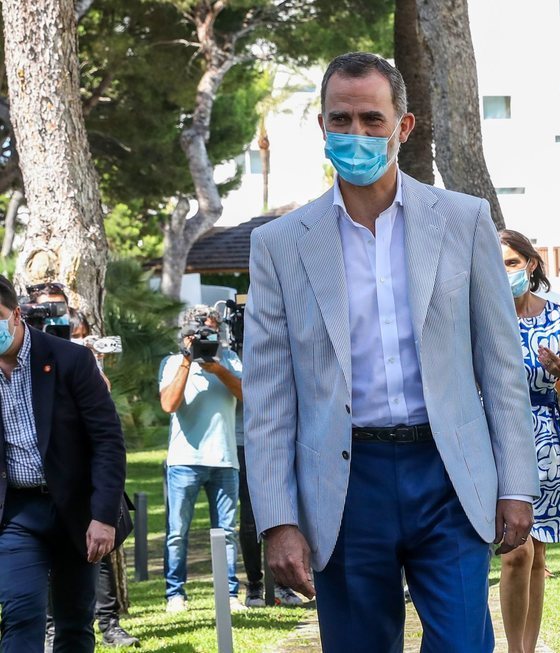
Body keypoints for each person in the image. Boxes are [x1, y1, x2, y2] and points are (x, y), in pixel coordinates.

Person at [243, 51, 539, 652]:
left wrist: (517, 485)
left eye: (372, 120)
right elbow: (269, 393)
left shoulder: (464, 219)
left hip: (448, 474)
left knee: (464, 644)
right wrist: (277, 520)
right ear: (322, 128)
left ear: (402, 126)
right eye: (342, 120)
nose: (357, 134)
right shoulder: (278, 245)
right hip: (344, 485)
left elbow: (501, 364)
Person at [0, 275, 130, 652]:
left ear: (16, 316)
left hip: (77, 508)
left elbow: (107, 440)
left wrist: (104, 516)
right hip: (17, 515)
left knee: (74, 623)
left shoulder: (69, 359)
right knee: (22, 614)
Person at [498, 229, 560, 653]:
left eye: (510, 262)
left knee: (538, 556)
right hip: (502, 437)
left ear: (531, 264)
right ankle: (513, 650)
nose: (503, 271)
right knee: (515, 553)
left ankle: (527, 647)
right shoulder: (485, 317)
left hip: (546, 440)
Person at [159, 306, 245, 612]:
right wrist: (187, 359)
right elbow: (169, 404)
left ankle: (230, 594)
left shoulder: (231, 360)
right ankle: (175, 594)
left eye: (212, 331)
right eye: (201, 333)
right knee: (177, 532)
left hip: (224, 459)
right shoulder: (172, 363)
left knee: (227, 532)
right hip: (184, 459)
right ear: (186, 334)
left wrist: (219, 369)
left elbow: (248, 396)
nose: (207, 338)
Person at [235, 401, 303, 608]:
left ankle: (284, 584)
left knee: (292, 513)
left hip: (289, 438)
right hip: (244, 443)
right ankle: (255, 584)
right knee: (250, 520)